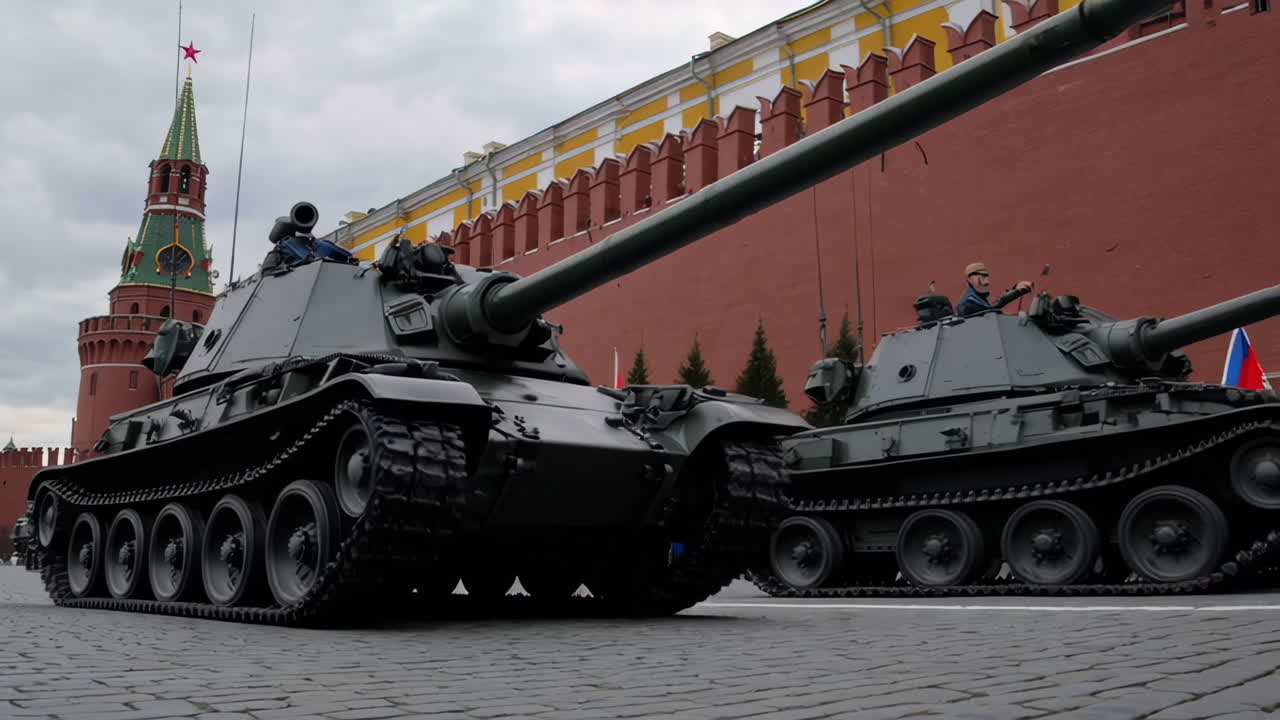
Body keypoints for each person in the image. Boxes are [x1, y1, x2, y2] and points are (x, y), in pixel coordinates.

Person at [956, 262, 1033, 317]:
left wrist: (1014, 290)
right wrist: (1016, 292)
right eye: (981, 277)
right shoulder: (969, 299)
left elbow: (994, 304)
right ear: (969, 279)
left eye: (986, 276)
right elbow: (991, 309)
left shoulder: (979, 296)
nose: (985, 280)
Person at [260, 231, 354, 273]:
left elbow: (349, 259)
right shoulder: (284, 245)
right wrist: (288, 268)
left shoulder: (323, 245)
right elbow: (267, 270)